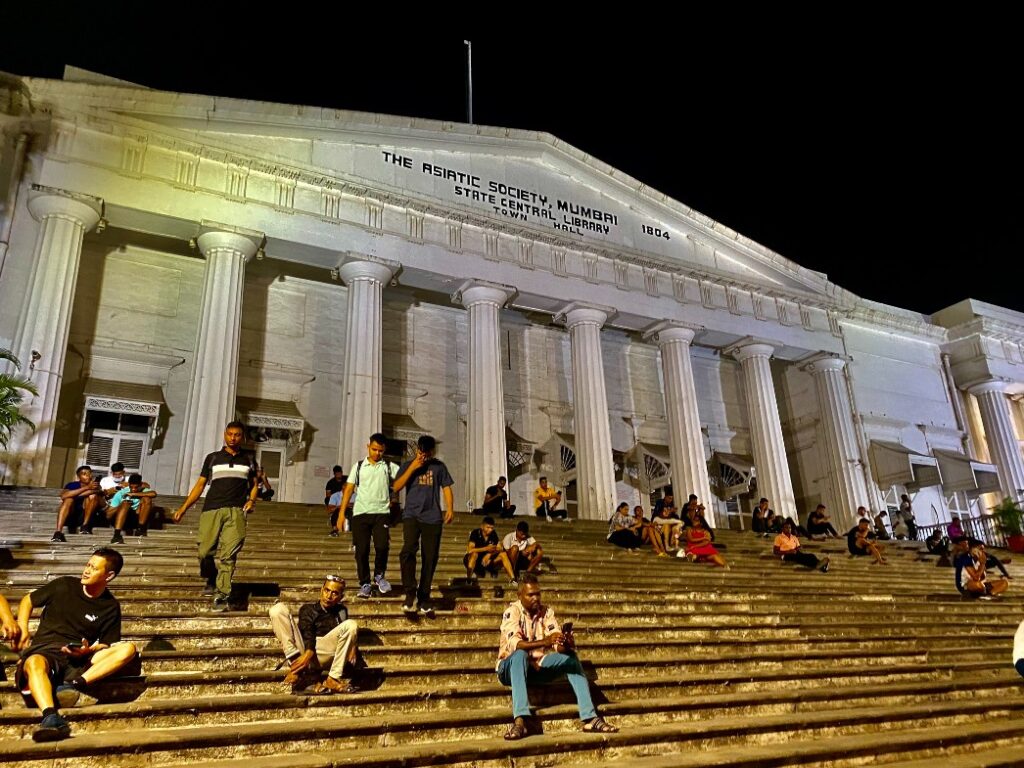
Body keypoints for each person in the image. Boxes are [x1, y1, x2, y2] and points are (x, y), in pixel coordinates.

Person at [12, 548, 138, 742]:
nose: (86, 570)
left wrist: (88, 650)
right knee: (34, 662)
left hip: (78, 658)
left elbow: (105, 645)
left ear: (109, 575)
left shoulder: (111, 606)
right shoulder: (64, 585)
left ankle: (73, 685)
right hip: (46, 651)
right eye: (87, 565)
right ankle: (51, 717)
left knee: (128, 649)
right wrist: (23, 627)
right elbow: (28, 600)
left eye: (94, 568)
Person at [496, 573, 617, 740]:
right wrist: (545, 641)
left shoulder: (547, 612)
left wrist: (566, 643)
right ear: (520, 595)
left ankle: (590, 718)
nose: (535, 598)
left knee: (571, 658)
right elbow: (516, 644)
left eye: (538, 593)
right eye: (530, 594)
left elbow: (556, 644)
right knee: (520, 655)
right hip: (509, 669)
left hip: (537, 667)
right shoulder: (512, 611)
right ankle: (520, 721)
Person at [173, 421, 259, 611]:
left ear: (242, 437)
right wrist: (184, 507)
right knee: (204, 551)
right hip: (212, 509)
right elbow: (200, 485)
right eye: (229, 434)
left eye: (237, 434)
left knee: (229, 555)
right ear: (224, 435)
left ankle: (222, 594)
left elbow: (254, 485)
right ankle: (211, 576)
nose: (233, 438)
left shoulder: (249, 459)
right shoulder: (213, 458)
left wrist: (251, 501)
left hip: (236, 512)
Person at [268, 575, 364, 694]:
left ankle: (333, 679)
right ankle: (296, 667)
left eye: (334, 593)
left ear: (341, 597)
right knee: (277, 609)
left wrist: (353, 646)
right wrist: (308, 652)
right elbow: (307, 632)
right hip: (304, 653)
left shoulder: (341, 611)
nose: (329, 596)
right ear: (321, 590)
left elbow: (347, 632)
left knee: (351, 625)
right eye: (327, 590)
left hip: (325, 655)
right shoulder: (308, 609)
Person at [392, 435, 454, 615]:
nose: (423, 456)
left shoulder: (439, 467)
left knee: (430, 557)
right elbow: (396, 486)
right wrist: (413, 467)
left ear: (432, 452)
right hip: (411, 515)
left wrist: (450, 508)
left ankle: (424, 596)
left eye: (427, 453)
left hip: (433, 517)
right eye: (421, 452)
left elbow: (447, 487)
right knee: (407, 551)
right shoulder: (407, 465)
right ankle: (410, 593)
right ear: (417, 450)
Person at [337, 433, 401, 600]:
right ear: (368, 447)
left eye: (380, 451)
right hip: (361, 513)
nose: (377, 453)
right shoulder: (358, 466)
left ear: (384, 450)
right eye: (374, 449)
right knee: (362, 550)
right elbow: (349, 490)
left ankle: (379, 576)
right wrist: (342, 514)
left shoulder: (388, 466)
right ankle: (365, 583)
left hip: (381, 513)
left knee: (382, 546)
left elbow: (404, 477)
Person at [51, 465, 104, 542]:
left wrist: (95, 490)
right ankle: (58, 532)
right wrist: (87, 488)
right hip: (71, 514)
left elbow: (101, 501)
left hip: (85, 516)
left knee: (92, 495)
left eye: (89, 474)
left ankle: (85, 526)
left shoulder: (96, 486)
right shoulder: (73, 485)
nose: (88, 476)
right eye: (84, 474)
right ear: (79, 476)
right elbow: (64, 495)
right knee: (68, 499)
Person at [106, 473, 157, 544]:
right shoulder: (121, 493)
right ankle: (117, 535)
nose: (133, 489)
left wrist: (133, 494)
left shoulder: (144, 490)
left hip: (136, 518)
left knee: (147, 499)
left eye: (136, 487)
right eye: (131, 487)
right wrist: (121, 505)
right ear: (128, 484)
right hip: (121, 519)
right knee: (126, 503)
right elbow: (108, 515)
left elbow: (154, 494)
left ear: (141, 485)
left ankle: (140, 529)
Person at [464, 516, 516, 582]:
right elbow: (470, 550)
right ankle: (469, 579)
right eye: (488, 527)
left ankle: (513, 578)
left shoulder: (493, 534)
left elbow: (499, 548)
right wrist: (486, 549)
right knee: (474, 554)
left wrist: (489, 554)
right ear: (482, 526)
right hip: (474, 559)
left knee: (503, 554)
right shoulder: (475, 533)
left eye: (491, 528)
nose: (490, 530)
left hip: (487, 560)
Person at [325, 465, 348, 534]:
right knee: (327, 499)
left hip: (346, 498)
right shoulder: (330, 483)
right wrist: (335, 499)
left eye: (340, 473)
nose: (339, 475)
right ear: (334, 474)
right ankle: (333, 513)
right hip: (336, 499)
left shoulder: (347, 479)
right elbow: (328, 494)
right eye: (337, 474)